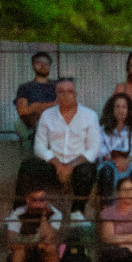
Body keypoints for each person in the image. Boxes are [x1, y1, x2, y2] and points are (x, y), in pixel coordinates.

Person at [33, 77, 101, 218]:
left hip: (78, 165)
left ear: (75, 94)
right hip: (53, 165)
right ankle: (21, 213)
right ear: (56, 95)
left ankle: (77, 213)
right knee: (28, 167)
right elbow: (39, 146)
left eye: (70, 91)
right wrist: (57, 164)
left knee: (87, 170)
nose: (66, 95)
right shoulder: (47, 115)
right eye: (61, 91)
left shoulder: (89, 115)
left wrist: (70, 166)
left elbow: (95, 149)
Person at [97, 93, 132, 201]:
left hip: (129, 163)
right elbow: (102, 150)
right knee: (106, 172)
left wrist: (126, 161)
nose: (121, 110)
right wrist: (115, 160)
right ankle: (107, 208)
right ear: (112, 109)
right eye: (117, 107)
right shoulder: (102, 130)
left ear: (128, 110)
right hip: (110, 163)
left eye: (124, 107)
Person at [14, 52, 57, 156]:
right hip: (36, 124)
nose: (43, 65)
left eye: (46, 63)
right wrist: (49, 106)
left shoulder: (58, 86)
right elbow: (22, 111)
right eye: (39, 62)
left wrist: (36, 106)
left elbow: (66, 106)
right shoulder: (25, 87)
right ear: (33, 65)